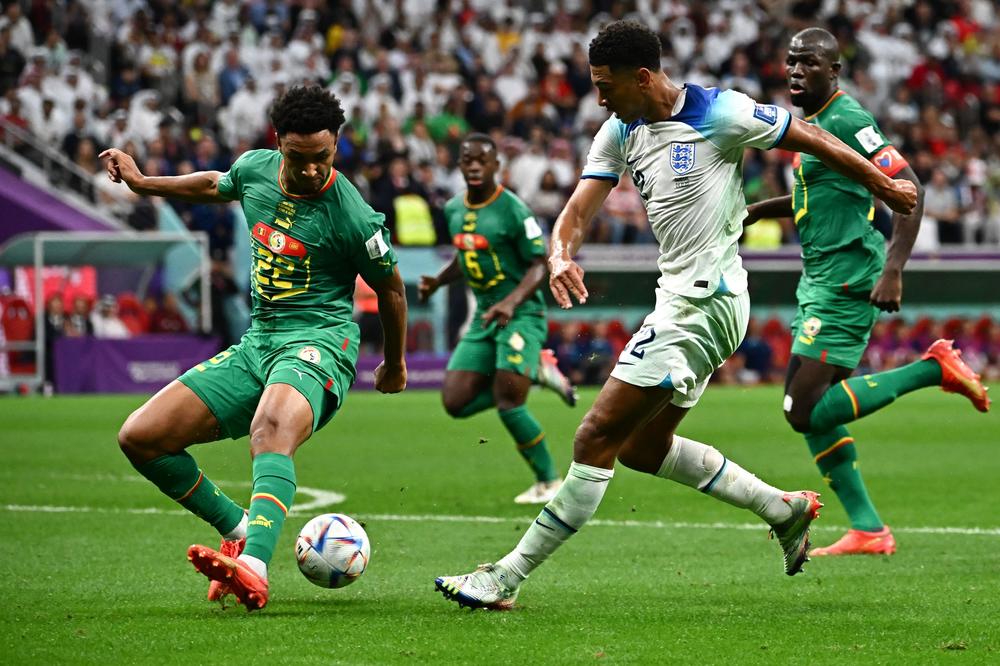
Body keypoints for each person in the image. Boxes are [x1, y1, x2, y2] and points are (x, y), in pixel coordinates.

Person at [434, 20, 918, 610]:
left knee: (594, 436)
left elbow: (810, 138)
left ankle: (504, 577)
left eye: (606, 85)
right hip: (682, 298)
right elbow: (578, 209)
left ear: (642, 77)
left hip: (705, 301)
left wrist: (883, 184)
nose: (599, 98)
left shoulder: (722, 113)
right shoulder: (619, 130)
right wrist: (561, 254)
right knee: (641, 447)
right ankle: (781, 509)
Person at [101, 86, 408, 612]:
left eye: (324, 158)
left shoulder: (353, 215)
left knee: (270, 431)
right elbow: (218, 185)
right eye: (299, 158)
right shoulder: (256, 169)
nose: (312, 170)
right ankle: (238, 529)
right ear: (278, 146)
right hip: (257, 343)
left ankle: (255, 568)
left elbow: (393, 290)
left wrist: (395, 363)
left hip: (318, 342)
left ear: (336, 146)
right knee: (141, 437)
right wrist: (144, 182)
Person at [744, 28, 990, 557]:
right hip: (821, 276)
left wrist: (894, 269)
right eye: (789, 62)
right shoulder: (811, 124)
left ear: (833, 71)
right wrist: (765, 209)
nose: (794, 72)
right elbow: (826, 187)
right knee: (807, 408)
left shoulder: (849, 119)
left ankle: (933, 369)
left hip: (848, 277)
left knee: (801, 410)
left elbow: (908, 190)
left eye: (807, 63)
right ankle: (869, 529)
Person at [418, 134, 577, 505]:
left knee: (510, 403)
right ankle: (532, 373)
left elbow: (540, 265)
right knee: (455, 402)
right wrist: (439, 281)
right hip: (485, 317)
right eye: (467, 160)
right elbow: (465, 255)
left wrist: (511, 302)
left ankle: (550, 480)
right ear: (460, 166)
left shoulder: (514, 210)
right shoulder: (455, 209)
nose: (474, 166)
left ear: (496, 167)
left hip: (521, 313)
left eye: (482, 161)